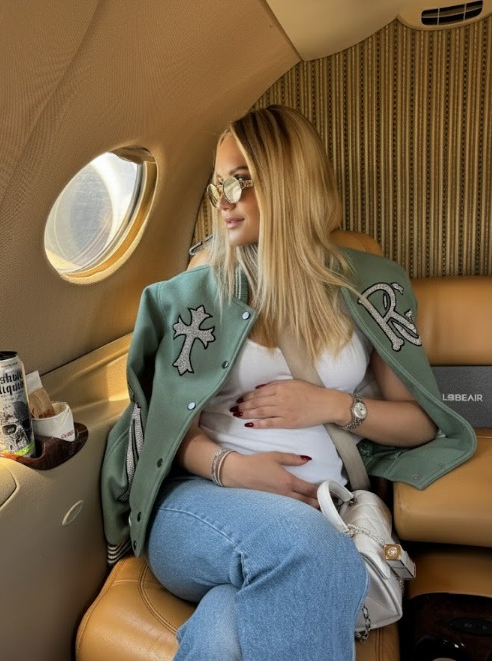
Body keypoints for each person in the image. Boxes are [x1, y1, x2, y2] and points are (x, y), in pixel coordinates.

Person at [100, 105, 476, 660]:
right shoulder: (193, 297)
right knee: (314, 553)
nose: (223, 200)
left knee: (226, 628)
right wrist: (233, 468)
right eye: (218, 186)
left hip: (318, 511)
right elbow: (167, 429)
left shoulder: (368, 288)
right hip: (199, 507)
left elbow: (420, 423)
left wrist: (331, 405)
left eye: (241, 182)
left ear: (289, 182)